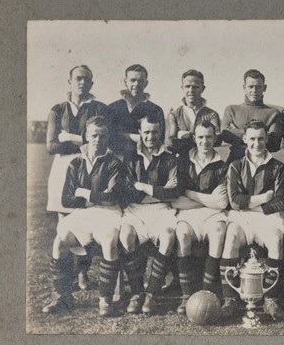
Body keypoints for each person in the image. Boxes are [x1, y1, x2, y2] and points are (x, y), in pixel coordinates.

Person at [42, 116, 124, 317]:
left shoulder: (114, 163)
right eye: (94, 135)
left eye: (103, 136)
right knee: (60, 241)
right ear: (86, 136)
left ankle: (105, 300)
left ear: (108, 138)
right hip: (82, 214)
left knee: (109, 240)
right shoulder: (75, 163)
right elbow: (66, 200)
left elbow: (112, 197)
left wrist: (83, 193)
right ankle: (63, 298)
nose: (98, 140)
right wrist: (95, 198)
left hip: (109, 213)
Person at [220, 120, 284, 320]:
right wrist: (264, 198)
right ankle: (230, 299)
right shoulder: (235, 166)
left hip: (269, 218)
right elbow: (234, 201)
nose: (256, 143)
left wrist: (251, 203)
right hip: (242, 217)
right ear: (244, 139)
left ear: (267, 139)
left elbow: (282, 201)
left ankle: (271, 299)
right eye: (252, 138)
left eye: (260, 138)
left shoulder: (278, 167)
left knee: (275, 241)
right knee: (231, 237)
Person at [46, 65, 107, 290]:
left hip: (86, 164)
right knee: (65, 225)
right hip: (62, 167)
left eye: (87, 80)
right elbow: (51, 146)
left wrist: (71, 137)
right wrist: (82, 139)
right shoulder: (57, 109)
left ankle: (83, 273)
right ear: (69, 81)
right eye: (78, 79)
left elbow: (101, 139)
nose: (82, 83)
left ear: (91, 83)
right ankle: (68, 276)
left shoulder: (98, 107)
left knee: (85, 220)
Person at [119, 114, 181, 315]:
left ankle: (151, 295)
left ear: (160, 133)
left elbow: (173, 192)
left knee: (168, 236)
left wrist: (142, 186)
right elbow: (126, 191)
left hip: (162, 210)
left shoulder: (170, 158)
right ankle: (137, 293)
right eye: (146, 132)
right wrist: (158, 189)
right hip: (135, 210)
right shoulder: (130, 157)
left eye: (154, 132)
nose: (150, 136)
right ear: (140, 133)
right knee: (126, 235)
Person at [172, 121, 229, 315]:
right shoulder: (183, 163)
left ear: (215, 138)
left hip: (213, 215)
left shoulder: (222, 165)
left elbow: (221, 203)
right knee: (182, 234)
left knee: (219, 231)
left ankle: (207, 292)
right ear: (194, 138)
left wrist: (189, 193)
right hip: (187, 214)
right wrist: (208, 199)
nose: (205, 141)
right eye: (201, 137)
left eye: (209, 137)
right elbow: (175, 201)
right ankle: (187, 295)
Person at [221, 69, 284, 164]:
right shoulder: (232, 110)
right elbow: (225, 134)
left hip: (263, 164)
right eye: (251, 86)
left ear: (264, 88)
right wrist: (262, 135)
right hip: (236, 161)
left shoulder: (273, 113)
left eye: (258, 87)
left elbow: (274, 144)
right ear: (244, 87)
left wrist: (238, 133)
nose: (254, 90)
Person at [106, 64, 165, 155]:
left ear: (146, 83)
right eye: (132, 80)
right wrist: (135, 137)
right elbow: (108, 137)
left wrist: (122, 135)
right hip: (119, 158)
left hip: (145, 159)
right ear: (125, 82)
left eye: (140, 81)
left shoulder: (156, 110)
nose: (136, 84)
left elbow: (159, 139)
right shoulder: (112, 108)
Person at [167, 69, 221, 156]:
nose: (191, 90)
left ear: (202, 89)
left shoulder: (212, 114)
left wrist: (185, 136)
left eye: (195, 87)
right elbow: (170, 142)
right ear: (182, 88)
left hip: (204, 160)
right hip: (181, 160)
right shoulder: (174, 114)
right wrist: (202, 137)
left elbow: (217, 140)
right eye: (187, 86)